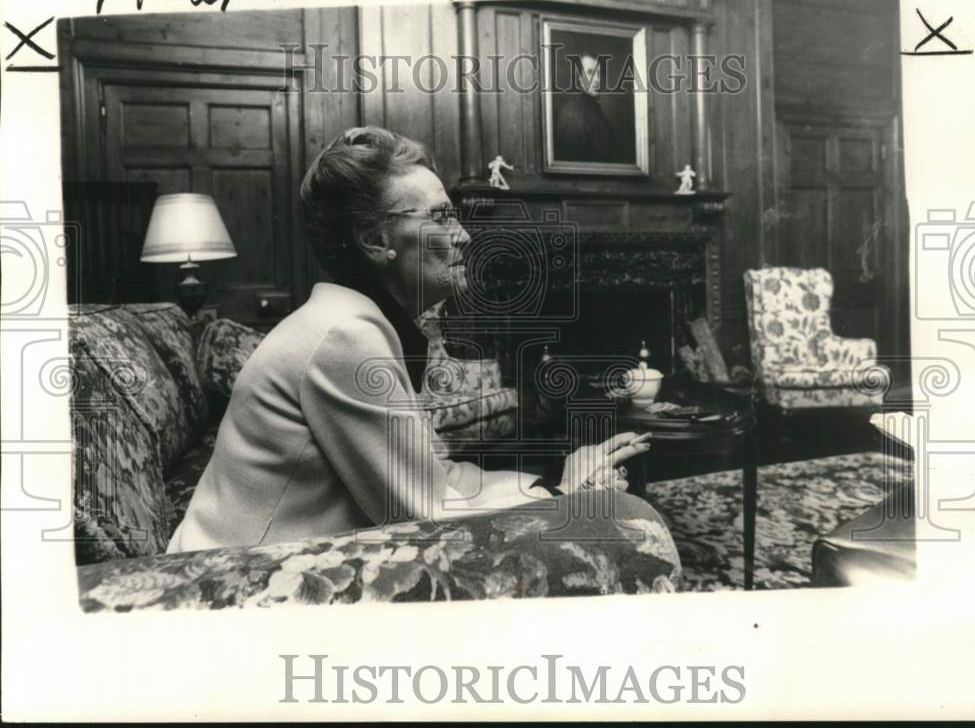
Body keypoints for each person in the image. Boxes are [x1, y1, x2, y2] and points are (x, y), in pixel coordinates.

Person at [168, 126, 649, 552]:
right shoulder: (343, 337)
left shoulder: (357, 322)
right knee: (627, 522)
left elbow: (438, 479)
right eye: (440, 217)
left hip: (271, 562)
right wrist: (571, 496)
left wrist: (552, 481)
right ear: (375, 240)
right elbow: (428, 525)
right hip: (234, 581)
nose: (463, 234)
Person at [553, 53, 630, 163]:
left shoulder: (594, 111)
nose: (597, 79)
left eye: (598, 73)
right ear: (578, 77)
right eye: (590, 73)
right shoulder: (573, 114)